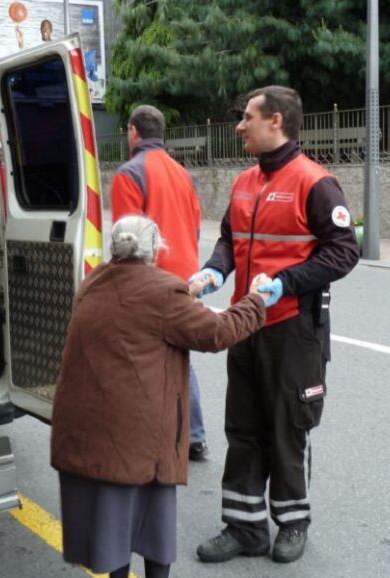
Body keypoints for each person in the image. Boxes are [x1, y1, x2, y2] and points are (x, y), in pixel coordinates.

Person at [191, 86, 360, 564]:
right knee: (243, 426)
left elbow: (345, 251)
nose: (240, 126)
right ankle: (244, 527)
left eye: (248, 118)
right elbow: (229, 239)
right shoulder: (245, 180)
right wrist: (214, 270)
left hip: (292, 327)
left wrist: (286, 283)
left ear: (277, 122)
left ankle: (293, 521)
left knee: (288, 426)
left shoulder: (315, 182)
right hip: (246, 322)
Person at [50, 215, 270, 578]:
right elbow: (218, 332)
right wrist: (256, 301)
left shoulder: (92, 282)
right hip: (138, 437)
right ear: (154, 250)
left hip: (89, 431)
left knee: (113, 524)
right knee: (155, 522)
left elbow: (144, 308)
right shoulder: (164, 292)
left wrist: (188, 292)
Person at [110, 105, 210, 462]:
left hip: (149, 278)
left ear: (134, 132)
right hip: (185, 276)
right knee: (178, 355)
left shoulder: (129, 174)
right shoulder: (183, 174)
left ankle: (155, 434)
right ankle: (193, 435)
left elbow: (129, 239)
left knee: (143, 356)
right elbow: (196, 227)